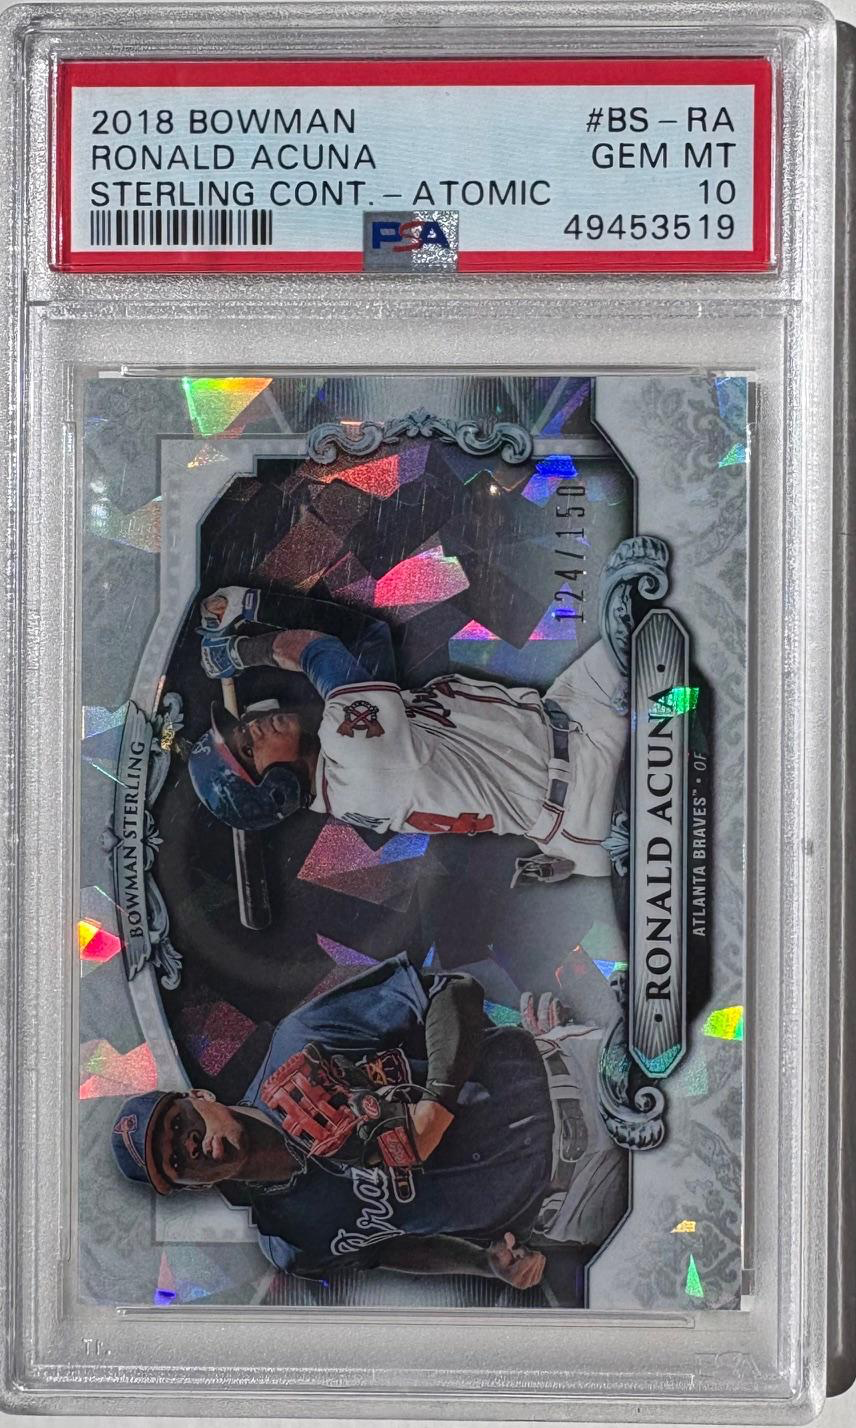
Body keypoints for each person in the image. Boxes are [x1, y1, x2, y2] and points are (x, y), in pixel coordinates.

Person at [112, 955, 626, 1286]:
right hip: (572, 1207)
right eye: (174, 1162)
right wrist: (482, 1263)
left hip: (575, 1080)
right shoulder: (293, 1246)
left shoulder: (300, 1041)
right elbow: (391, 1251)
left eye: (177, 1124)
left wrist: (437, 1102)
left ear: (198, 1096)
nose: (189, 1146)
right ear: (191, 1186)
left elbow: (452, 990)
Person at [187, 536, 662, 880]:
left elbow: (365, 635)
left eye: (241, 729)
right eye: (248, 749)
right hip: (587, 795)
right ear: (275, 790)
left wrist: (254, 604)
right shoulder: (354, 759)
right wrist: (240, 652)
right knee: (682, 699)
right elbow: (319, 650)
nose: (252, 728)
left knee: (666, 633)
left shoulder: (343, 757)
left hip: (568, 716)